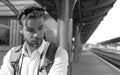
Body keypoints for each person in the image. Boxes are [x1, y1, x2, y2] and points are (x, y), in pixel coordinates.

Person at [0, 5, 68, 75]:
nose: (36, 35)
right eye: (30, 30)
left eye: (40, 28)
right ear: (20, 29)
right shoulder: (11, 55)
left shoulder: (58, 54)